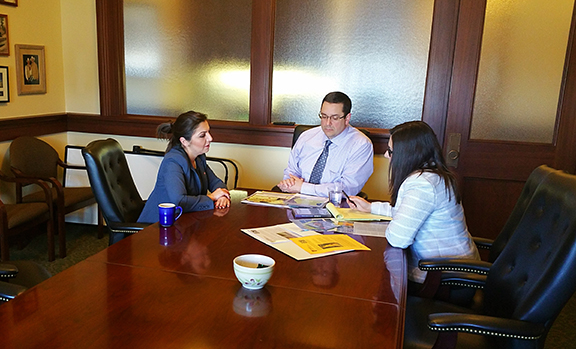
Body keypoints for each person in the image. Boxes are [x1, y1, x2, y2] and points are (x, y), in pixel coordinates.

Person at [349, 121, 480, 289]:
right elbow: (405, 211)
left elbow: (397, 238)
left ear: (407, 154)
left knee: (365, 278)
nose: (386, 155)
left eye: (390, 151)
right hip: (450, 270)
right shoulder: (432, 175)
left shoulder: (422, 185)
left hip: (446, 279)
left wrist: (392, 224)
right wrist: (370, 207)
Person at [137, 111, 230, 223]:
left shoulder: (199, 157)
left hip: (185, 223)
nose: (210, 138)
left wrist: (222, 196)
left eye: (209, 132)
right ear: (184, 141)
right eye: (202, 135)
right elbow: (179, 201)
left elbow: (216, 183)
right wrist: (212, 197)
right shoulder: (173, 162)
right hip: (158, 227)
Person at [277, 91, 373, 197]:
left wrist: (303, 187)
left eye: (335, 118)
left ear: (347, 118)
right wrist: (289, 182)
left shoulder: (361, 144)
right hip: (297, 200)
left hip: (335, 207)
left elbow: (347, 189)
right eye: (324, 116)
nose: (328, 123)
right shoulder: (307, 136)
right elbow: (291, 172)